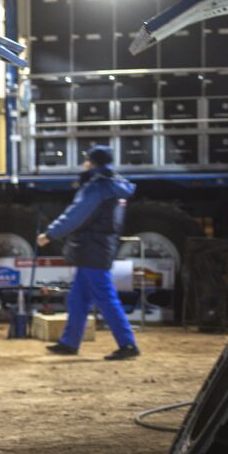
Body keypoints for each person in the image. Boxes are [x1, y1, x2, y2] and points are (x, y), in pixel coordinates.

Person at [36, 145, 140, 360]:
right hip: (97, 246)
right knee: (78, 298)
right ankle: (69, 342)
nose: (83, 164)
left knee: (105, 298)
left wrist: (50, 234)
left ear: (92, 163)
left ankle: (128, 344)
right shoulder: (114, 185)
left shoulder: (96, 188)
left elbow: (75, 215)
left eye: (86, 160)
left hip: (93, 247)